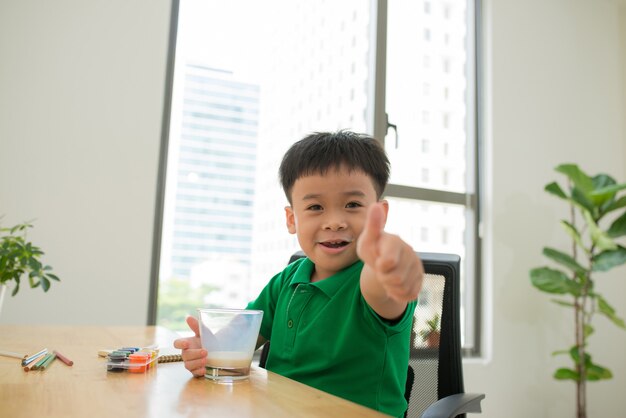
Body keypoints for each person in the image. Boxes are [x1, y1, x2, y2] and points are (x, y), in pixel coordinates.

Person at [173, 130, 424, 417]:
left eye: (352, 205)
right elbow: (236, 342)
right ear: (292, 219)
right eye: (315, 207)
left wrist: (389, 266)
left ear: (380, 213)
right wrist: (206, 350)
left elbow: (383, 290)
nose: (334, 222)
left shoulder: (371, 279)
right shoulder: (287, 281)